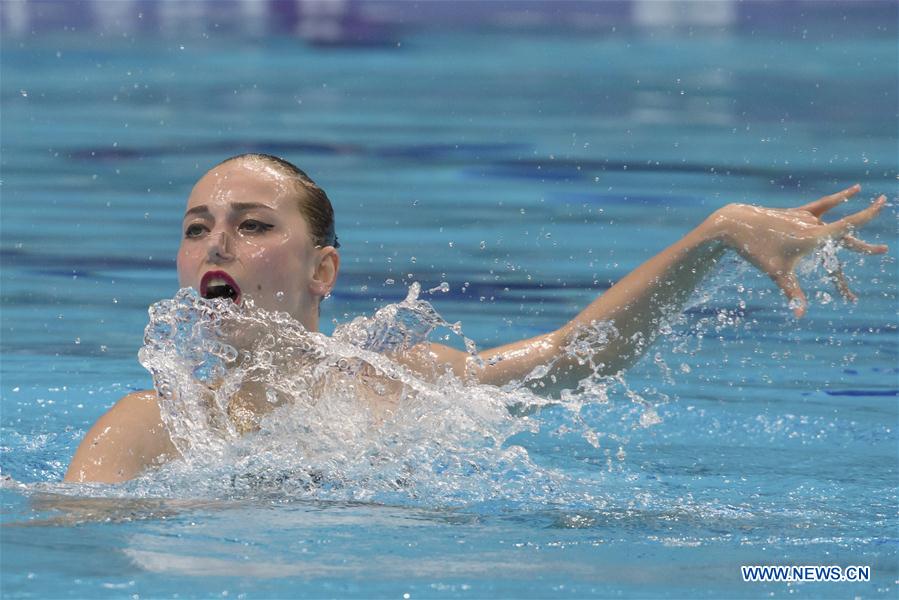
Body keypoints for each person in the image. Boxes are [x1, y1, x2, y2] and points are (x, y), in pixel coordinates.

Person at [64, 153, 888, 484]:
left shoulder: (403, 381)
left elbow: (576, 358)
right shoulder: (148, 427)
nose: (218, 243)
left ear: (323, 269)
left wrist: (713, 235)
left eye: (252, 224)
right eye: (196, 227)